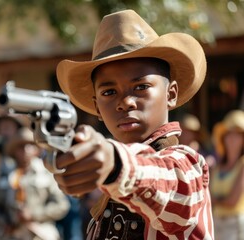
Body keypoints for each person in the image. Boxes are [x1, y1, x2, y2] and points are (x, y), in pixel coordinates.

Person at [52, 9, 214, 239]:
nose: (125, 102)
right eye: (109, 92)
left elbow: (170, 186)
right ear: (97, 107)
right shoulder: (111, 186)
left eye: (141, 87)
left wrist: (114, 163)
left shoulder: (187, 163)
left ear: (171, 94)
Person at [0, 127, 69, 240]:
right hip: (12, 235)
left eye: (30, 146)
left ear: (37, 150)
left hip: (40, 234)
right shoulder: (6, 175)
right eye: (21, 147)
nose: (26, 150)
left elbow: (62, 206)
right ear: (14, 151)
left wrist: (34, 214)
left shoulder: (46, 174)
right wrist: (5, 222)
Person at [210, 110, 244, 240]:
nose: (232, 139)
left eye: (238, 135)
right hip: (216, 223)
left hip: (236, 225)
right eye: (229, 134)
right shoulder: (216, 167)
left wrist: (215, 200)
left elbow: (232, 201)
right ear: (223, 138)